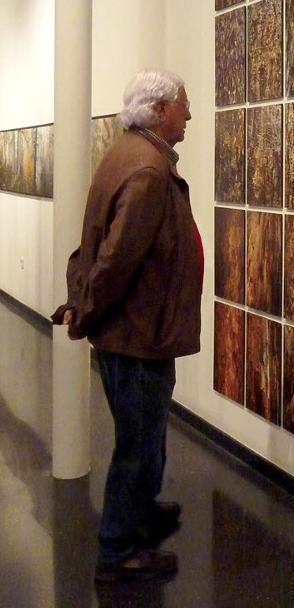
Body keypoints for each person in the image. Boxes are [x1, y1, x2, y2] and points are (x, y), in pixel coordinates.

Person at [52, 69, 203, 583]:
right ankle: (117, 552)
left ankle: (138, 518)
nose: (190, 114)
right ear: (160, 110)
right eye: (183, 105)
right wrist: (86, 307)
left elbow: (94, 245)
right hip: (137, 337)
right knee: (137, 446)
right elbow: (116, 259)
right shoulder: (147, 171)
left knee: (145, 438)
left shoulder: (129, 155)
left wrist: (82, 301)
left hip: (140, 334)